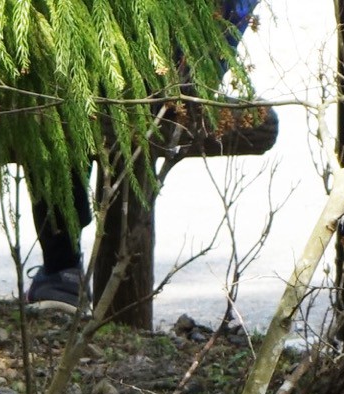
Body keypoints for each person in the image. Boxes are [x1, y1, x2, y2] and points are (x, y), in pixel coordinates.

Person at [24, 0, 258, 312]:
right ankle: (66, 270)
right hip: (175, 67)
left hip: (139, 65)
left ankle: (62, 267)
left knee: (51, 101)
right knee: (61, 100)